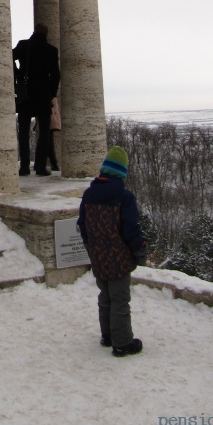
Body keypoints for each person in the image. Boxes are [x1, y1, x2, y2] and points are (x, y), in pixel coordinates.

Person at [77, 146, 148, 357]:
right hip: (119, 257)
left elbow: (82, 225)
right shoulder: (124, 197)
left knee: (105, 296)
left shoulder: (89, 195)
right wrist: (140, 248)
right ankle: (122, 342)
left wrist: (91, 247)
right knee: (120, 299)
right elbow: (131, 229)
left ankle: (107, 336)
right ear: (122, 173)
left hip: (98, 255)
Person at [12, 23, 60, 176]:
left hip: (25, 94)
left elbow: (7, 57)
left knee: (24, 131)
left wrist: (18, 74)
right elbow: (56, 75)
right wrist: (52, 93)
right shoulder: (51, 50)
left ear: (34, 32)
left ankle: (24, 166)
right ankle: (40, 167)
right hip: (43, 94)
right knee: (45, 132)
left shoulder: (24, 45)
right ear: (46, 34)